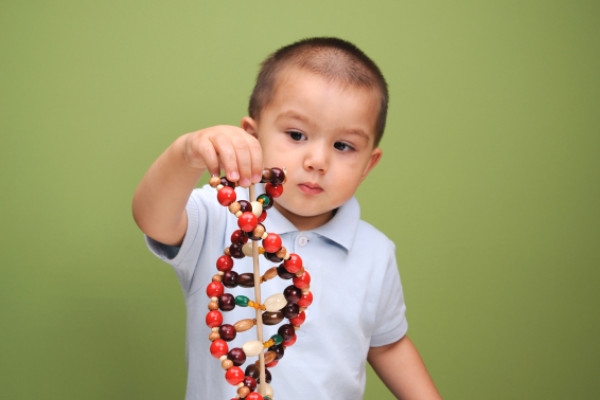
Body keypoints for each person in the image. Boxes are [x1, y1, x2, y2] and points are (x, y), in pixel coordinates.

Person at [132, 37, 441, 400]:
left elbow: (387, 346)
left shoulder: (375, 253)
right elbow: (152, 218)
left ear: (368, 165)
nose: (317, 161)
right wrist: (186, 154)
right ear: (252, 136)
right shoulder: (221, 218)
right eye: (296, 135)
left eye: (344, 146)